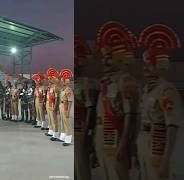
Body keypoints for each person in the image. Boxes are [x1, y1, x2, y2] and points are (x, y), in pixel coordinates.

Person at [137, 24, 183, 180]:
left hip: (158, 143)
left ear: (159, 65)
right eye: (145, 64)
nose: (145, 68)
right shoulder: (147, 89)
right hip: (144, 140)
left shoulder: (166, 90)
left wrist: (166, 159)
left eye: (149, 65)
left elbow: (172, 125)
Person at [95, 21, 139, 180]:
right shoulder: (105, 82)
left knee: (117, 174)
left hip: (116, 136)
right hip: (102, 136)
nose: (104, 61)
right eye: (103, 57)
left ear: (117, 58)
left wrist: (124, 144)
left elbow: (130, 116)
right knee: (105, 173)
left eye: (108, 57)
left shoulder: (125, 81)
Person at [74, 36, 100, 180]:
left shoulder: (86, 83)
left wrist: (86, 135)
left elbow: (91, 110)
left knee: (81, 165)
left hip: (80, 131)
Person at [59, 69, 74, 146]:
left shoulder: (68, 90)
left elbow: (70, 101)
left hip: (66, 106)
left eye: (62, 81)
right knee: (62, 122)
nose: (61, 82)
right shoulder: (62, 89)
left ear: (65, 82)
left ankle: (68, 139)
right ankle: (63, 136)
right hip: (61, 105)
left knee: (67, 123)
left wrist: (68, 111)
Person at [45, 68, 60, 140]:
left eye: (50, 79)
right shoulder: (49, 87)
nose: (49, 80)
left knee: (54, 120)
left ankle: (55, 134)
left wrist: (55, 107)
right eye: (49, 79)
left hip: (53, 104)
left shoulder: (56, 87)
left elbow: (57, 98)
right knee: (50, 119)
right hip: (48, 104)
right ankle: (50, 131)